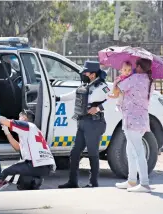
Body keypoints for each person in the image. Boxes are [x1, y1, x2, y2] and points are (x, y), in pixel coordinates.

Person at [57, 61, 109, 189]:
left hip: (94, 123)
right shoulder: (86, 85)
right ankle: (72, 182)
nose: (83, 74)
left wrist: (99, 108)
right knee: (74, 153)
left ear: (92, 74)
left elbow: (115, 98)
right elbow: (74, 95)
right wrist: (57, 98)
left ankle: (93, 182)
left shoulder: (102, 86)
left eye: (85, 72)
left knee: (92, 153)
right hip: (82, 122)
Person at [113, 58, 154, 193]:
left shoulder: (135, 78)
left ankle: (144, 183)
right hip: (141, 120)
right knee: (130, 151)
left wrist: (117, 79)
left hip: (132, 120)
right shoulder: (149, 81)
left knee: (137, 151)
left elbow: (118, 88)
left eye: (136, 65)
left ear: (139, 67)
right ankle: (131, 180)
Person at [0, 110, 56, 191]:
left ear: (24, 118)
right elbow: (17, 148)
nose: (18, 119)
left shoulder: (27, 125)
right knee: (22, 181)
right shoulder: (33, 130)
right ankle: (34, 181)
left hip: (35, 164)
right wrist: (7, 132)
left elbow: (6, 121)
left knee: (5, 173)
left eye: (19, 117)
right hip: (46, 166)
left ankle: (33, 181)